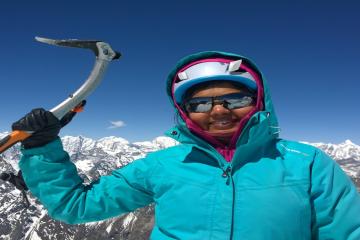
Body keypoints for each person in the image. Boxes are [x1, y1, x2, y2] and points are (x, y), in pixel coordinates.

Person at [14, 51, 360, 239]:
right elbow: (77, 207)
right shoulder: (161, 165)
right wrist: (43, 149)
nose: (219, 110)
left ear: (258, 102)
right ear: (185, 113)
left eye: (234, 98)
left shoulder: (308, 164)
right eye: (200, 104)